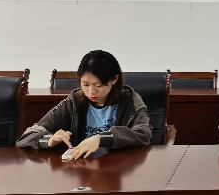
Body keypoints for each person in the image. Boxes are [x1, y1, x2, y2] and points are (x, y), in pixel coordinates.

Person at [17, 50, 152, 158]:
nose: (91, 92)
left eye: (99, 85)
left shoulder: (130, 100)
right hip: (82, 168)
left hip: (118, 167)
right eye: (85, 84)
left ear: (114, 80)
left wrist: (102, 138)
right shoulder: (75, 102)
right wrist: (49, 140)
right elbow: (27, 136)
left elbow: (143, 134)